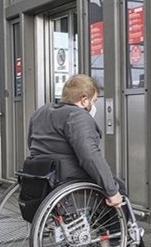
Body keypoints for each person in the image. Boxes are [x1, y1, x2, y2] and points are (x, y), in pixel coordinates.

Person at [27, 74, 124, 208]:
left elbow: (30, 144)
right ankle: (115, 229)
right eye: (93, 101)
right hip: (65, 176)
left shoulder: (40, 112)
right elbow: (90, 156)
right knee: (118, 186)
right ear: (84, 100)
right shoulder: (78, 116)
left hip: (41, 175)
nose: (93, 106)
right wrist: (112, 191)